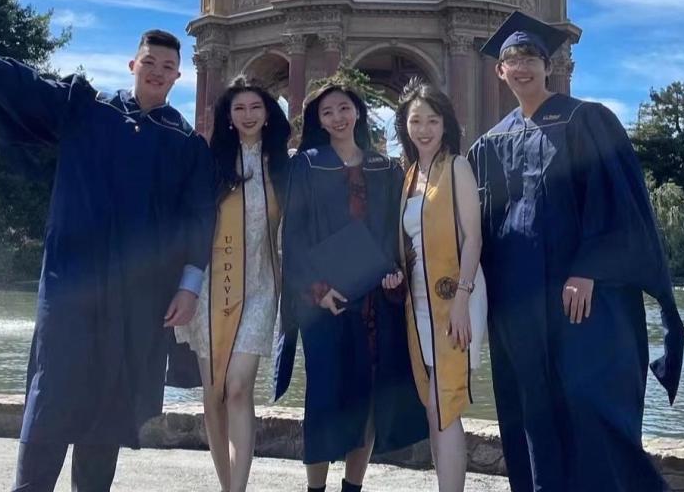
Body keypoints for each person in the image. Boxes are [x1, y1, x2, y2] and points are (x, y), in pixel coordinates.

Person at [0, 20, 216, 492]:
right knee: (53, 391)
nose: (158, 72)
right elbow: (25, 85)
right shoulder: (87, 111)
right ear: (133, 64)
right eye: (151, 62)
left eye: (168, 67)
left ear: (179, 77)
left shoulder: (186, 145)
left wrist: (189, 285)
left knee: (112, 400)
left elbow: (198, 218)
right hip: (70, 283)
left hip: (139, 293)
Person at [468, 11, 684, 492]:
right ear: (498, 72)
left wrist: (588, 268)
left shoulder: (587, 120)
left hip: (582, 300)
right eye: (511, 59)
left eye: (530, 57)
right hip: (518, 305)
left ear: (548, 66)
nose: (521, 66)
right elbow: (475, 227)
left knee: (591, 402)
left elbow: (620, 205)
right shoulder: (488, 144)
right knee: (531, 408)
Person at [275, 83, 427, 492]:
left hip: (374, 300)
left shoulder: (384, 167)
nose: (338, 117)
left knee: (368, 401)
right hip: (324, 302)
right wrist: (317, 289)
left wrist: (396, 272)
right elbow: (295, 237)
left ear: (358, 113)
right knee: (324, 399)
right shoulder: (306, 165)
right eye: (328, 112)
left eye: (345, 108)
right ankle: (316, 489)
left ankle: (352, 487)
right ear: (318, 120)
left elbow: (395, 235)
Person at [175, 76, 290, 492]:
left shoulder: (281, 163)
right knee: (214, 393)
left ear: (268, 112)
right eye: (239, 108)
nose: (247, 115)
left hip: (260, 285)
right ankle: (226, 485)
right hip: (211, 288)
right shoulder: (210, 161)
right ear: (228, 116)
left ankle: (238, 488)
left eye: (256, 107)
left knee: (239, 386)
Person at [383, 79, 488, 492]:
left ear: (445, 124)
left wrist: (462, 299)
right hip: (419, 301)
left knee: (446, 404)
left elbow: (473, 238)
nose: (424, 128)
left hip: (457, 295)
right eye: (415, 120)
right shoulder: (410, 176)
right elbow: (411, 245)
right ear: (404, 126)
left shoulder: (456, 167)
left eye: (432, 119)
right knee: (433, 405)